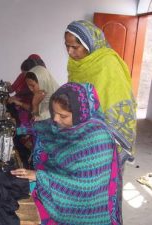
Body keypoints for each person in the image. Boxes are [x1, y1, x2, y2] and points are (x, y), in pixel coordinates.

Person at [11, 82, 122, 224]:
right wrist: (15, 129)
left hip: (82, 207)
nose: (56, 119)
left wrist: (40, 177)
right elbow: (41, 127)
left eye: (62, 116)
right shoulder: (65, 124)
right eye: (54, 112)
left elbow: (86, 187)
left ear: (80, 114)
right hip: (54, 185)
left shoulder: (98, 140)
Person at [64, 20, 137, 162]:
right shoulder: (75, 64)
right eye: (67, 46)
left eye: (75, 47)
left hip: (105, 133)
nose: (70, 52)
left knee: (103, 176)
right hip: (82, 130)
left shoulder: (108, 64)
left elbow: (117, 100)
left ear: (89, 44)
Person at [15, 65, 59, 168]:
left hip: (51, 157)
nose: (31, 89)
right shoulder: (43, 99)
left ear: (43, 81)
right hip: (39, 149)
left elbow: (38, 126)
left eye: (33, 85)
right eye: (28, 86)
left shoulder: (58, 102)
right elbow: (36, 119)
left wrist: (17, 131)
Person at [8, 54, 46, 126]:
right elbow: (18, 92)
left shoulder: (41, 85)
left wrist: (19, 103)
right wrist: (17, 98)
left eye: (25, 74)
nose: (24, 76)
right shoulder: (26, 78)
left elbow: (36, 110)